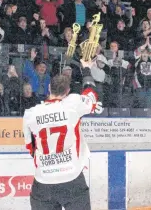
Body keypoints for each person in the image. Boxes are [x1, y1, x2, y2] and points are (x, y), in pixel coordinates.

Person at [23, 58, 98, 210]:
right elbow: (91, 97)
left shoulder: (31, 114)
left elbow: (31, 148)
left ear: (49, 87)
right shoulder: (73, 104)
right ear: (68, 92)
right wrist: (86, 70)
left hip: (43, 181)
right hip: (72, 179)